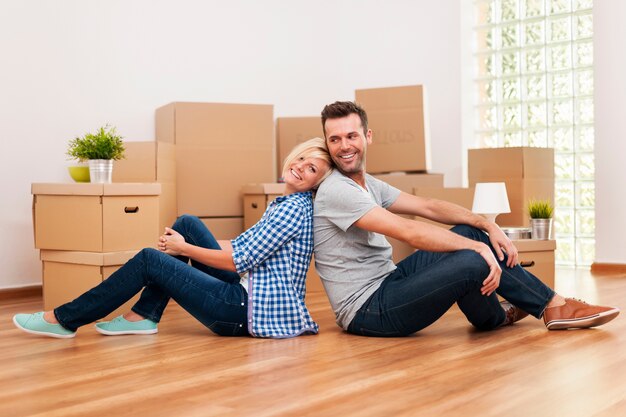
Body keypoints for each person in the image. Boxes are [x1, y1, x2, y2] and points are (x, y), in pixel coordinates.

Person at [313, 101, 619, 337]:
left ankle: (501, 315)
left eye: (351, 135)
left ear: (367, 137)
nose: (344, 146)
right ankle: (553, 307)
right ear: (327, 143)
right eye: (335, 139)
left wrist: (487, 225)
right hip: (368, 310)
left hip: (389, 281)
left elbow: (428, 206)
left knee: (469, 233)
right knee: (474, 257)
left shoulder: (367, 184)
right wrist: (480, 250)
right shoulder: (337, 190)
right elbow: (409, 231)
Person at [14, 137, 332, 339]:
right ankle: (143, 315)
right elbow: (240, 247)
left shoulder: (294, 209)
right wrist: (184, 241)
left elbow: (236, 259)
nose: (302, 167)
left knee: (151, 260)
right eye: (302, 159)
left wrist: (182, 248)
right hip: (247, 291)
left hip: (245, 310)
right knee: (187, 222)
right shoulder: (287, 203)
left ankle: (64, 318)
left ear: (317, 183)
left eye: (313, 169)